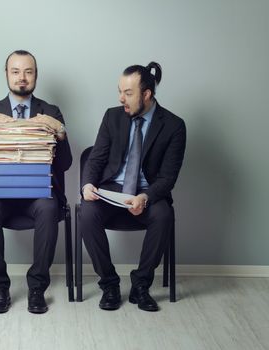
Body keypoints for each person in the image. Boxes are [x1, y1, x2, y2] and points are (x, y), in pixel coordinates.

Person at [0, 50, 72, 314]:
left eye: (28, 71)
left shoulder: (51, 111)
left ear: (36, 75)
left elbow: (65, 164)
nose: (22, 78)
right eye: (15, 71)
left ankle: (37, 288)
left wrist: (59, 131)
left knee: (49, 208)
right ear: (6, 75)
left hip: (38, 194)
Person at [80, 62, 186, 312]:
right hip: (112, 190)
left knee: (163, 215)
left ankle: (141, 286)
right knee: (86, 213)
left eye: (128, 93)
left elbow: (168, 177)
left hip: (147, 192)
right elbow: (96, 159)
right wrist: (87, 184)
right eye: (120, 91)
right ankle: (109, 284)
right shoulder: (112, 116)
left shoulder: (174, 126)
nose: (121, 98)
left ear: (146, 94)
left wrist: (145, 197)